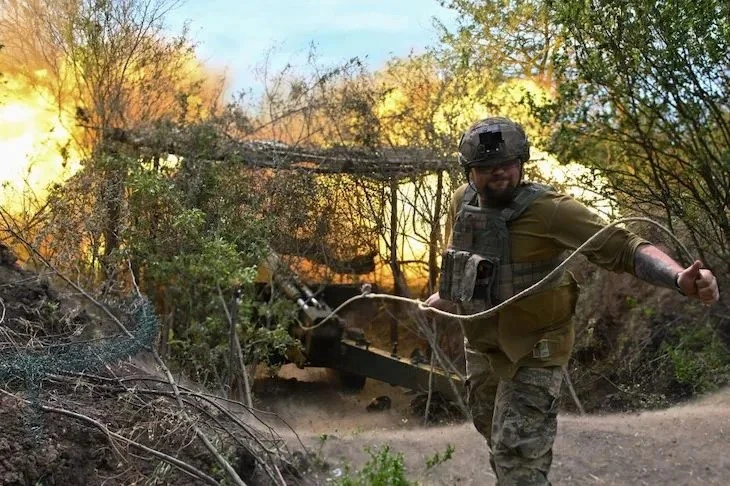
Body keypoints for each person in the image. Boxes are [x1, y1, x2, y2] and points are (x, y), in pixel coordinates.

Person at [424, 117, 720, 486]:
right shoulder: (461, 203)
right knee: (495, 435)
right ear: (469, 171)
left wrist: (678, 278)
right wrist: (448, 293)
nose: (498, 173)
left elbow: (623, 246)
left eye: (507, 163)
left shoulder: (551, 210)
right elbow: (462, 256)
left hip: (535, 348)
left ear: (522, 162)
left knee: (517, 458)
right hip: (482, 346)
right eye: (486, 167)